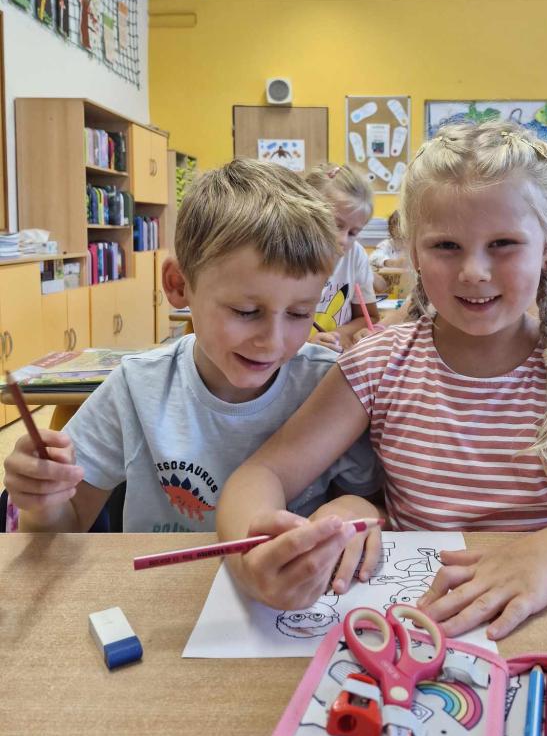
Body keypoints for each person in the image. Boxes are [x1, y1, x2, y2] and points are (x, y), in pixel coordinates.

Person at [216, 122, 547, 641]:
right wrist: (251, 559)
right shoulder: (378, 364)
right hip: (419, 628)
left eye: (503, 244)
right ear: (413, 252)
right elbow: (262, 473)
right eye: (446, 246)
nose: (474, 271)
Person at [3, 159, 381, 534]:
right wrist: (43, 502)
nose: (273, 341)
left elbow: (371, 502)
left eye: (300, 313)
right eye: (246, 311)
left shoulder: (331, 387)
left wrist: (354, 511)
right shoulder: (137, 388)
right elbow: (64, 527)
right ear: (179, 285)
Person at [306, 163, 380, 351]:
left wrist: (341, 334)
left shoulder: (355, 255)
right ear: (306, 213)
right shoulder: (284, 257)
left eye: (353, 233)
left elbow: (369, 317)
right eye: (336, 225)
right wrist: (307, 344)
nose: (343, 240)